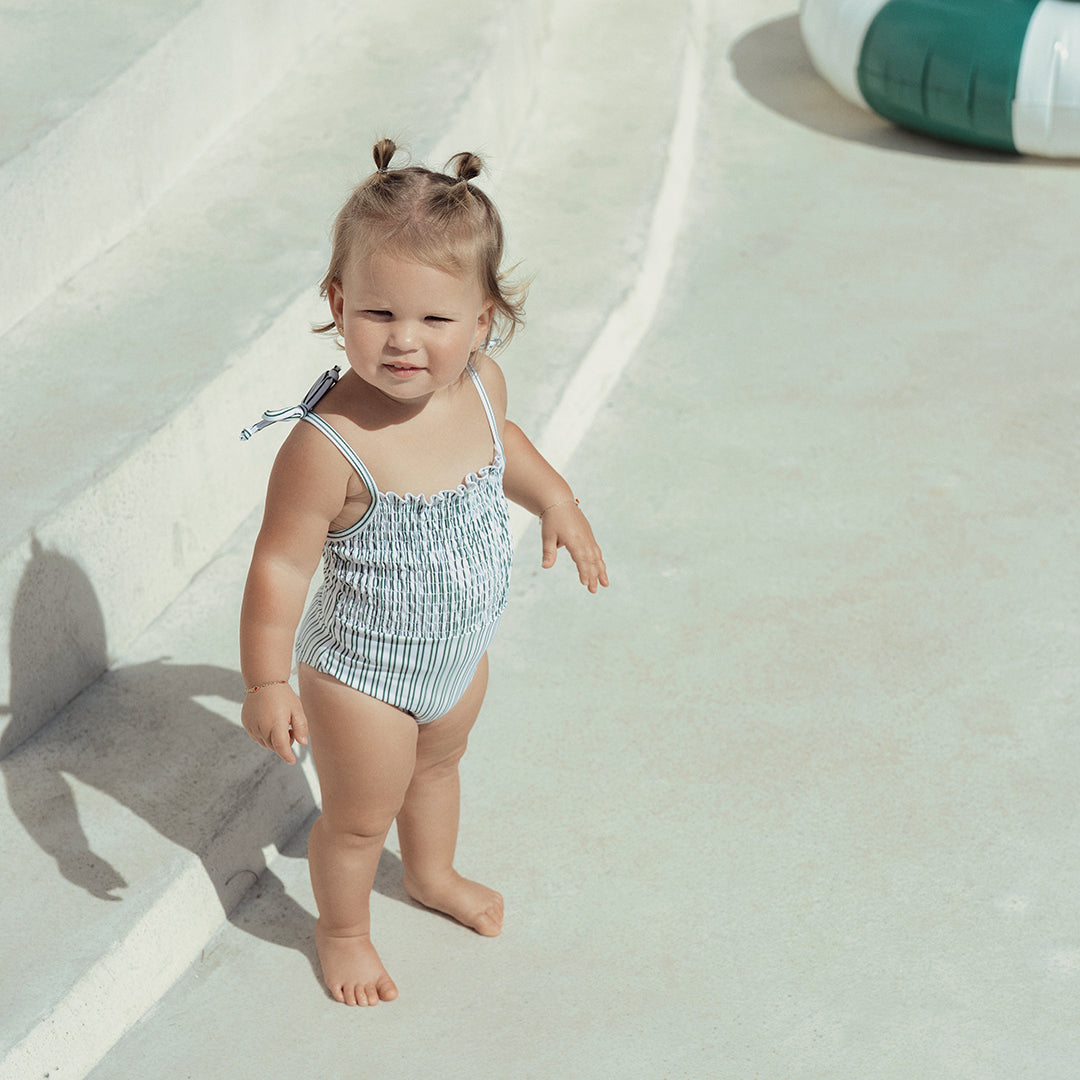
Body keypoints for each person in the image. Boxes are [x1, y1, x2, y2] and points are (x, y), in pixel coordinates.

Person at [238, 139, 608, 1007]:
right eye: (378, 315)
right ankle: (343, 929)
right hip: (364, 675)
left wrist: (556, 499)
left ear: (483, 320)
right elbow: (281, 566)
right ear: (338, 303)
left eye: (437, 321)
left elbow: (503, 449)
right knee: (361, 817)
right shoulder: (327, 447)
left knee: (440, 770)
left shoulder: (482, 387)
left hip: (458, 652)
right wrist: (264, 678)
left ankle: (433, 875)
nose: (406, 342)